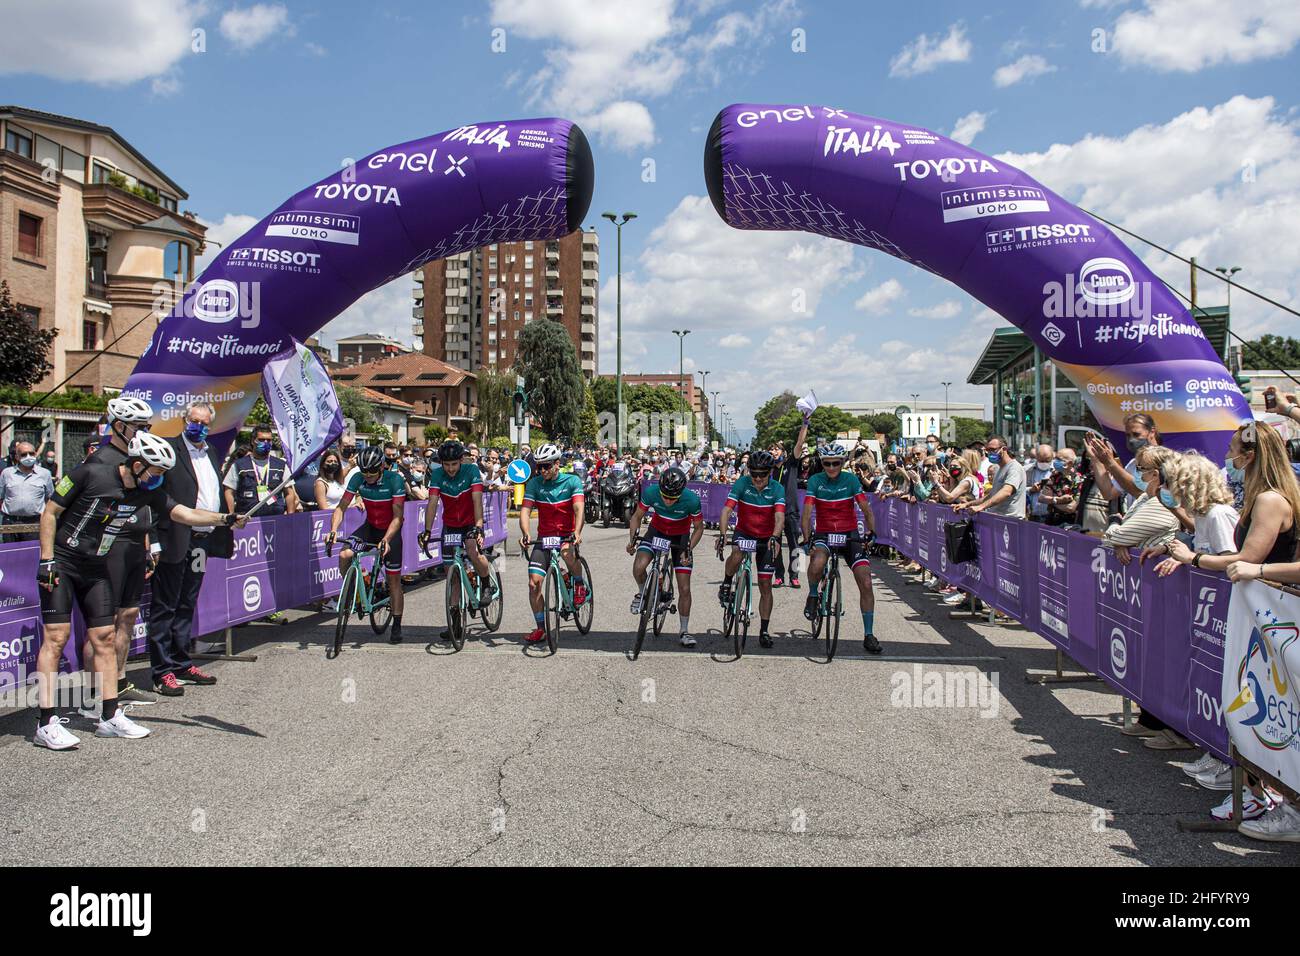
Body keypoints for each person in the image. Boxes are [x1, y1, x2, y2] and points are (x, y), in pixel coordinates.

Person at [35, 432, 243, 750]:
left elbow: (184, 514)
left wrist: (226, 519)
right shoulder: (91, 473)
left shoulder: (148, 492)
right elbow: (49, 512)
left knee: (104, 638)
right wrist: (46, 559)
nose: (159, 479)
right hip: (62, 563)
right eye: (156, 472)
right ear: (136, 464)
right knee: (56, 638)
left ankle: (109, 715)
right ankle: (46, 722)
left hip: (95, 567)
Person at [148, 400, 232, 697]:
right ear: (184, 420)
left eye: (205, 423)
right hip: (175, 537)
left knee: (187, 603)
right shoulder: (169, 450)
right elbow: (156, 496)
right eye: (194, 421)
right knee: (166, 605)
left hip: (202, 539)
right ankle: (161, 671)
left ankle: (182, 663)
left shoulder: (211, 452)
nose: (199, 427)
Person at [801, 441, 880, 654]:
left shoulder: (851, 480)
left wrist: (871, 533)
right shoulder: (816, 481)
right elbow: (807, 514)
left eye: (836, 463)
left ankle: (869, 634)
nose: (832, 468)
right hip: (825, 533)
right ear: (822, 463)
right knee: (817, 562)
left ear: (843, 462)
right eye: (827, 464)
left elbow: (866, 509)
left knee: (865, 580)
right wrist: (807, 538)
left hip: (849, 534)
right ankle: (813, 595)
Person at [326, 445, 407, 643]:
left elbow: (398, 517)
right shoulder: (358, 478)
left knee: (393, 580)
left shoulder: (394, 480)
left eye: (372, 471)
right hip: (370, 527)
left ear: (381, 467)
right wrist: (333, 530)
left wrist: (386, 540)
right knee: (345, 554)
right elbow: (341, 507)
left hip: (390, 530)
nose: (368, 475)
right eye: (364, 471)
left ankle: (396, 625)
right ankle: (355, 591)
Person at [419, 440, 495, 642]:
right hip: (450, 524)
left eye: (454, 464)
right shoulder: (437, 475)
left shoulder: (470, 471)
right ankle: (455, 624)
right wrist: (427, 531)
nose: (450, 469)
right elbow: (432, 503)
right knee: (451, 574)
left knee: (472, 549)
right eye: (446, 465)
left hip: (470, 521)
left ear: (461, 460)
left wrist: (479, 526)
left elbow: (477, 499)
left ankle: (487, 583)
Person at [626, 466, 703, 646]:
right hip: (657, 532)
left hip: (680, 538)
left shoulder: (691, 499)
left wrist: (688, 549)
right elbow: (636, 517)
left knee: (684, 588)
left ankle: (684, 631)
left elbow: (699, 528)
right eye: (665, 496)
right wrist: (632, 540)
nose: (668, 501)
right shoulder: (652, 492)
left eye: (672, 498)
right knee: (638, 567)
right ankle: (643, 594)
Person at [518, 444, 587, 645]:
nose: (542, 471)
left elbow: (578, 508)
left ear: (557, 464)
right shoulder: (534, 484)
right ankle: (541, 628)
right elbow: (525, 510)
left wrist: (577, 532)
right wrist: (525, 532)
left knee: (566, 553)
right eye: (539, 467)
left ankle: (580, 583)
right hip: (544, 538)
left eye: (546, 466)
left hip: (566, 535)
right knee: (534, 583)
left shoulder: (572, 480)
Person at [716, 449, 785, 648]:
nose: (757, 478)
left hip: (766, 536)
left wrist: (775, 536)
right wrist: (723, 535)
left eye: (762, 474)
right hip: (745, 531)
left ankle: (764, 630)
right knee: (737, 554)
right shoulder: (742, 483)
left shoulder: (777, 489)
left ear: (770, 473)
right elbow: (727, 509)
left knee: (765, 585)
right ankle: (727, 582)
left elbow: (779, 517)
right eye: (753, 474)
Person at [1100, 446, 1181, 566]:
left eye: (1140, 468)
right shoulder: (1144, 497)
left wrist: (1115, 521)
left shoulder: (1161, 503)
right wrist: (1121, 541)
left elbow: (1113, 537)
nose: (1136, 472)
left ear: (1154, 475)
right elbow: (1119, 537)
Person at [1085, 413, 1161, 510]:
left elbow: (1141, 492)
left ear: (1152, 432)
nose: (1131, 440)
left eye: (1136, 434)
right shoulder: (1133, 464)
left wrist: (1110, 462)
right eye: (1128, 435)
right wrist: (1096, 459)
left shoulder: (1164, 459)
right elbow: (1108, 492)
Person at [770, 417, 810, 588]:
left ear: (783, 452)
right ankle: (778, 575)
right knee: (775, 545)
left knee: (796, 545)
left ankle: (796, 576)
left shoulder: (791, 464)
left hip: (791, 511)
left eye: (776, 449)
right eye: (771, 450)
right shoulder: (766, 469)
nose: (773, 452)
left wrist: (805, 423)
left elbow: (800, 443)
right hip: (774, 513)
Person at [952, 436, 1025, 519]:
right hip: (997, 519)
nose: (990, 453)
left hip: (1011, 521)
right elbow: (991, 495)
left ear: (1004, 449)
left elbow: (1006, 492)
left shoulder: (1014, 468)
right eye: (988, 450)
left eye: (993, 449)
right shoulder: (998, 468)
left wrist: (981, 507)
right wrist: (967, 504)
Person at [0, 439, 54, 542]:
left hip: (34, 523)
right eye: (24, 454)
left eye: (31, 453)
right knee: (10, 555)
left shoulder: (45, 474)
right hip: (10, 523)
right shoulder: (6, 473)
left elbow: (50, 499)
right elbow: (1, 497)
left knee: (31, 555)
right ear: (17, 457)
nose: (28, 457)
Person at [1025, 444, 1057, 522]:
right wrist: (1030, 489)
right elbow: (1018, 490)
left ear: (1053, 456)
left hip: (1051, 517)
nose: (1044, 463)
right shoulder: (1027, 470)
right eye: (1041, 460)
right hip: (1032, 516)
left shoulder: (1058, 471)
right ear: (1036, 457)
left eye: (1047, 460)